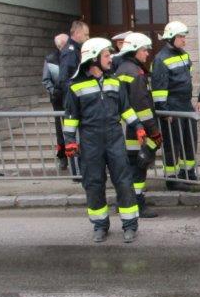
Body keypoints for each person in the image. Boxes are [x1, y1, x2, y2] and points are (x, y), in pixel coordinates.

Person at [62, 37, 144, 243]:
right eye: (106, 55)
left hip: (114, 138)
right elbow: (71, 117)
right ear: (94, 59)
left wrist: (139, 127)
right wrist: (70, 140)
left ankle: (130, 225)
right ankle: (100, 225)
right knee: (94, 183)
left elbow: (126, 108)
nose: (110, 59)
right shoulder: (75, 87)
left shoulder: (115, 82)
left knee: (124, 181)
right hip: (91, 141)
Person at [115, 32, 164, 219]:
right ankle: (136, 203)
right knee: (138, 166)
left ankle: (124, 201)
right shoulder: (135, 73)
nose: (147, 54)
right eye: (144, 50)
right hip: (137, 130)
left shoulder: (122, 69)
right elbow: (142, 105)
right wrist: (154, 131)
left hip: (126, 127)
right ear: (135, 51)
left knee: (129, 166)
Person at [151, 20, 198, 190]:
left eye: (184, 37)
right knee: (173, 144)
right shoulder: (160, 59)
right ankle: (172, 178)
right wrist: (165, 112)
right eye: (181, 37)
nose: (184, 40)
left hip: (185, 105)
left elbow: (188, 79)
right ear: (171, 38)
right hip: (171, 108)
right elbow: (158, 90)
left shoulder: (183, 55)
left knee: (189, 140)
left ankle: (188, 173)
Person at [42, 32, 69, 170]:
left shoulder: (74, 56)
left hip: (72, 97)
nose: (63, 46)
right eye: (61, 44)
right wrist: (53, 91)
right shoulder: (50, 59)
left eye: (65, 43)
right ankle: (62, 156)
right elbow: (46, 80)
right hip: (58, 100)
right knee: (60, 129)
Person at [58, 20, 90, 97]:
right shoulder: (70, 52)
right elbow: (65, 78)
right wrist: (73, 98)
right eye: (86, 35)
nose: (88, 38)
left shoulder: (76, 50)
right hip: (74, 96)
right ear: (77, 33)